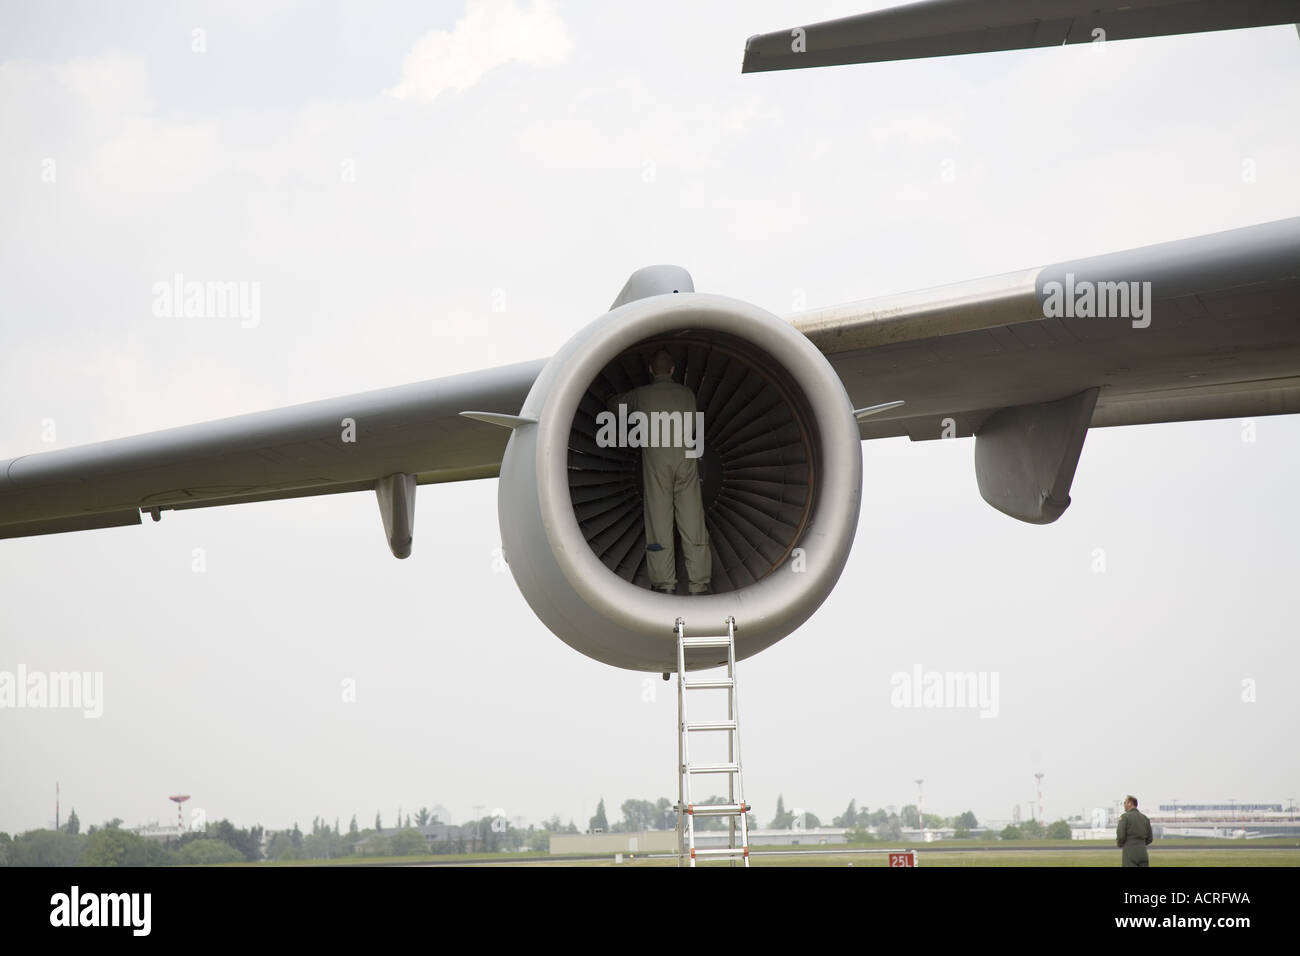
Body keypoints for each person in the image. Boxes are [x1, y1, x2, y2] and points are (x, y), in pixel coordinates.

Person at [606, 350, 711, 594]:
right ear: (673, 371)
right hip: (686, 464)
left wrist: (610, 396)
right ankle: (699, 583)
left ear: (651, 371)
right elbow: (694, 424)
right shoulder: (687, 394)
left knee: (659, 522)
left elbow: (615, 408)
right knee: (693, 521)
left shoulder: (642, 396)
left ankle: (665, 584)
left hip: (657, 467)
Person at [1116, 795, 1153, 867]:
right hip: (1143, 852)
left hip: (1130, 852)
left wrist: (1120, 844)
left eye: (1125, 803)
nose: (1124, 805)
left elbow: (1121, 836)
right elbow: (1150, 839)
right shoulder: (1145, 818)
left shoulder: (1125, 817)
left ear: (1130, 803)